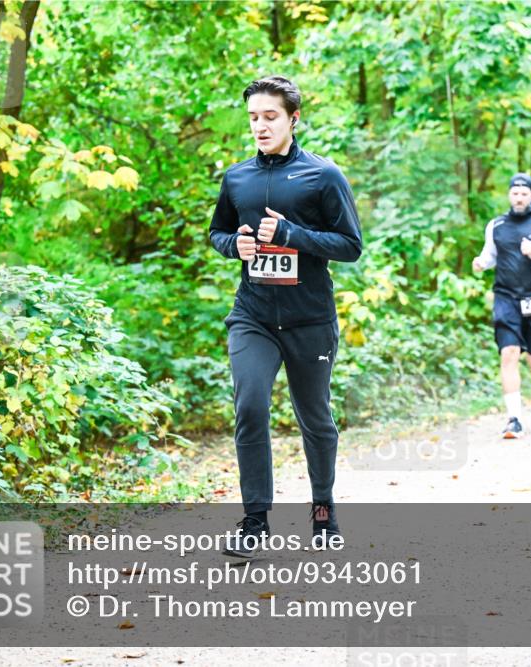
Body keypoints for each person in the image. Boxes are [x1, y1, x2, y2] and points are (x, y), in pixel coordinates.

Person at [209, 75, 362, 557]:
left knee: (315, 418)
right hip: (253, 315)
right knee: (250, 407)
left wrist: (292, 234)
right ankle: (255, 522)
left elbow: (350, 245)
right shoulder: (237, 178)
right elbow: (217, 233)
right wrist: (235, 245)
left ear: (293, 119)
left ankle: (324, 511)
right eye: (253, 117)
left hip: (309, 319)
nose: (260, 126)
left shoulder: (323, 175)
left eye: (270, 117)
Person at [472, 173, 531, 439]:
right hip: (506, 298)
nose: (519, 198)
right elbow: (490, 255)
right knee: (509, 353)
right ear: (509, 195)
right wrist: (481, 262)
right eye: (515, 193)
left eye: (524, 194)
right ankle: (513, 420)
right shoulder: (496, 225)